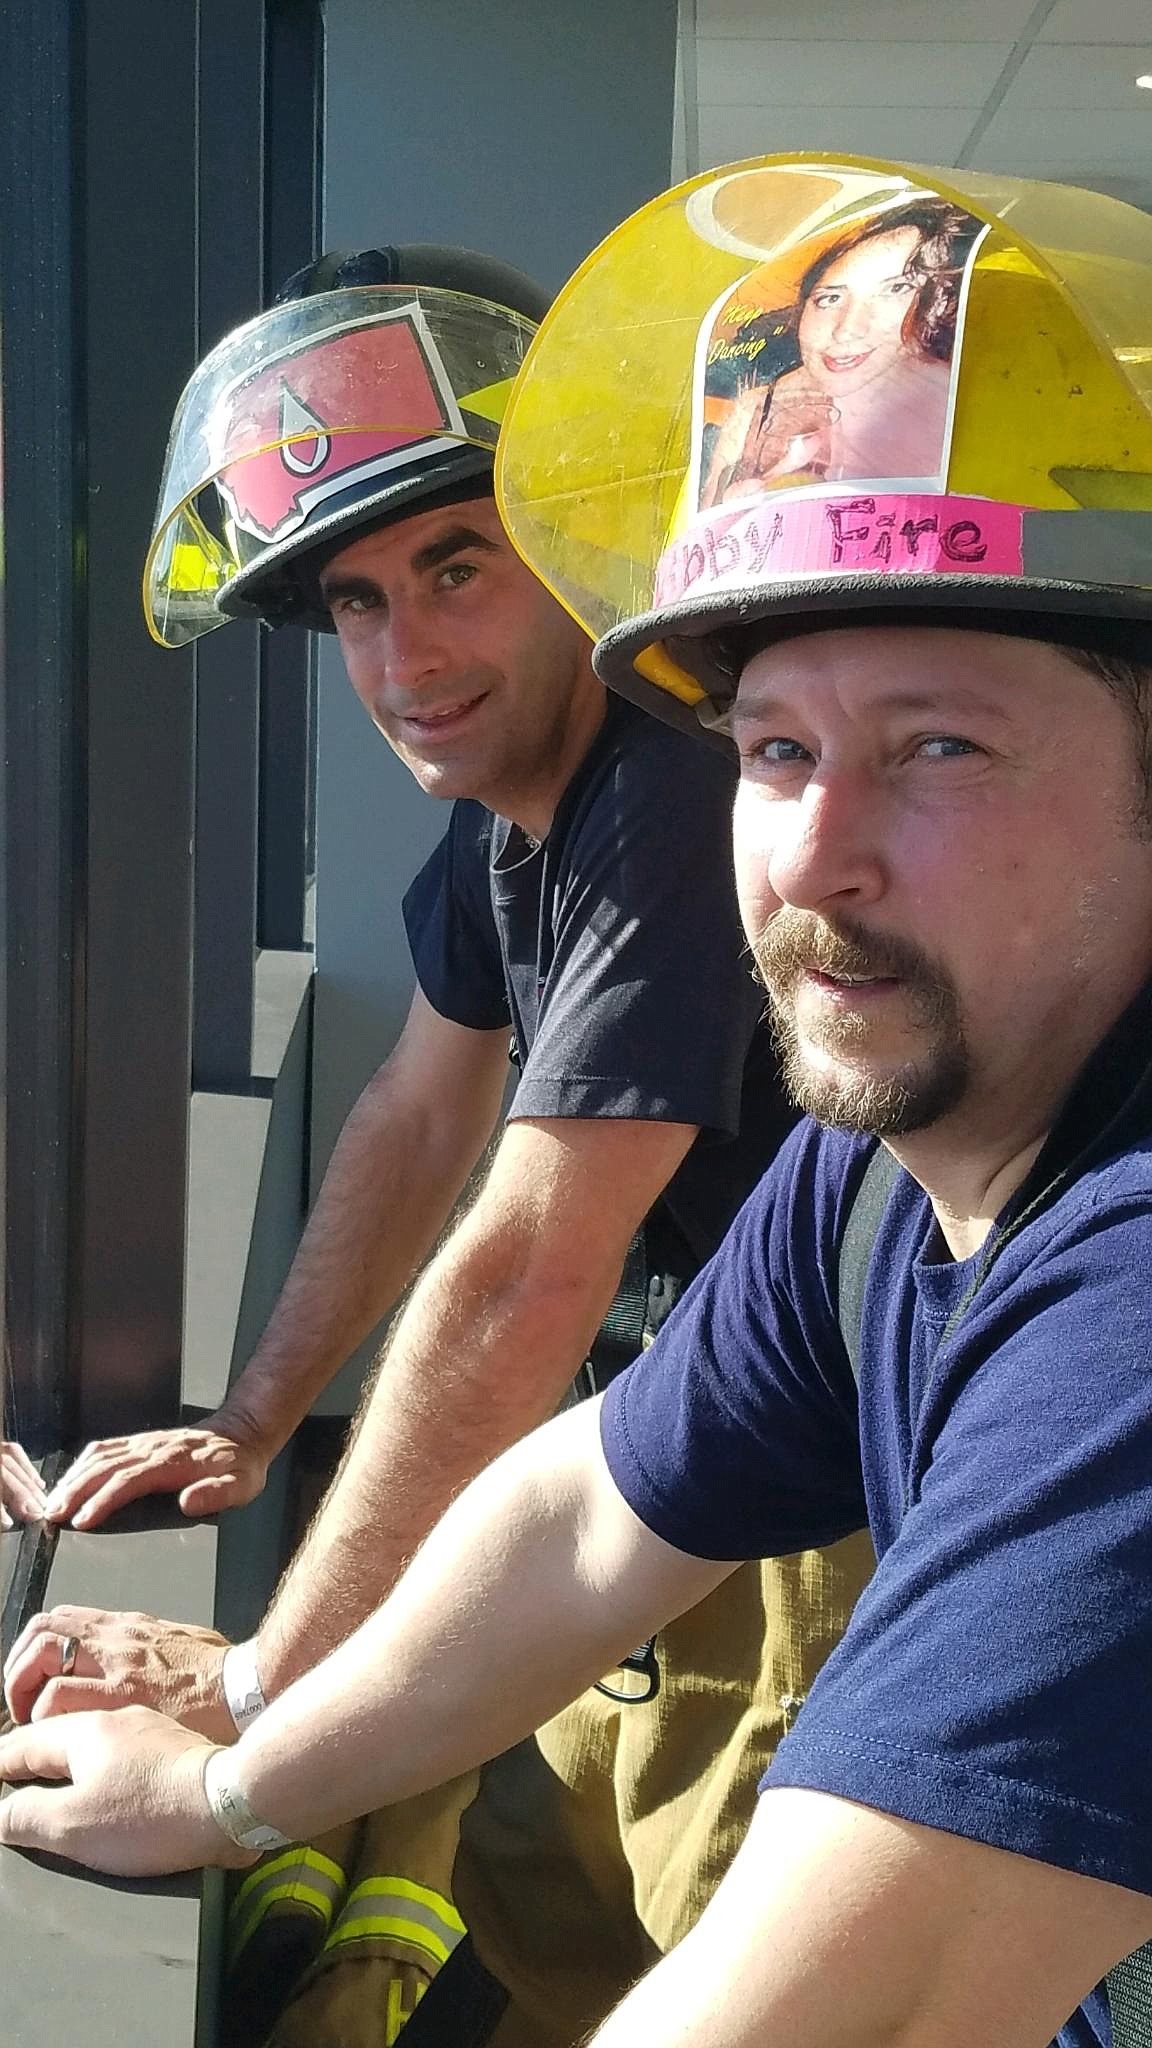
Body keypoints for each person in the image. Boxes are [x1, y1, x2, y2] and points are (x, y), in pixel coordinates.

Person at [6, 155, 1152, 2048]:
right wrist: (234, 1764)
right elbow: (580, 1504)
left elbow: (841, 2006)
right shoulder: (878, 1175)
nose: (815, 855)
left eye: (940, 745)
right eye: (774, 746)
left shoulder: (1114, 1309)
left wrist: (259, 1685)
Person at [700, 198, 983, 506]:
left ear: (942, 302)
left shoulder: (972, 404)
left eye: (896, 289)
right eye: (830, 299)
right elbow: (700, 531)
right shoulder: (757, 413)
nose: (846, 328)